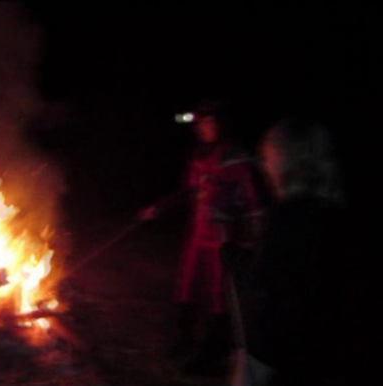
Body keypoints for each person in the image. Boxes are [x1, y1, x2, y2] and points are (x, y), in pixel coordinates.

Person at [141, 101, 263, 374]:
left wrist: (252, 237)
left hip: (223, 239)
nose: (203, 128)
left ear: (221, 124)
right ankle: (185, 341)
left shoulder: (236, 156)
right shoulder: (199, 156)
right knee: (186, 289)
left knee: (221, 297)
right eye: (201, 123)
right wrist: (159, 207)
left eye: (209, 122)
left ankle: (214, 353)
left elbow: (254, 200)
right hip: (197, 236)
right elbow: (188, 191)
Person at [233, 119, 349, 386]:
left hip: (271, 342)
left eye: (267, 157)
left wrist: (235, 258)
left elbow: (261, 279)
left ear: (286, 160)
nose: (262, 165)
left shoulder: (287, 216)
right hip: (315, 341)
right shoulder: (331, 213)